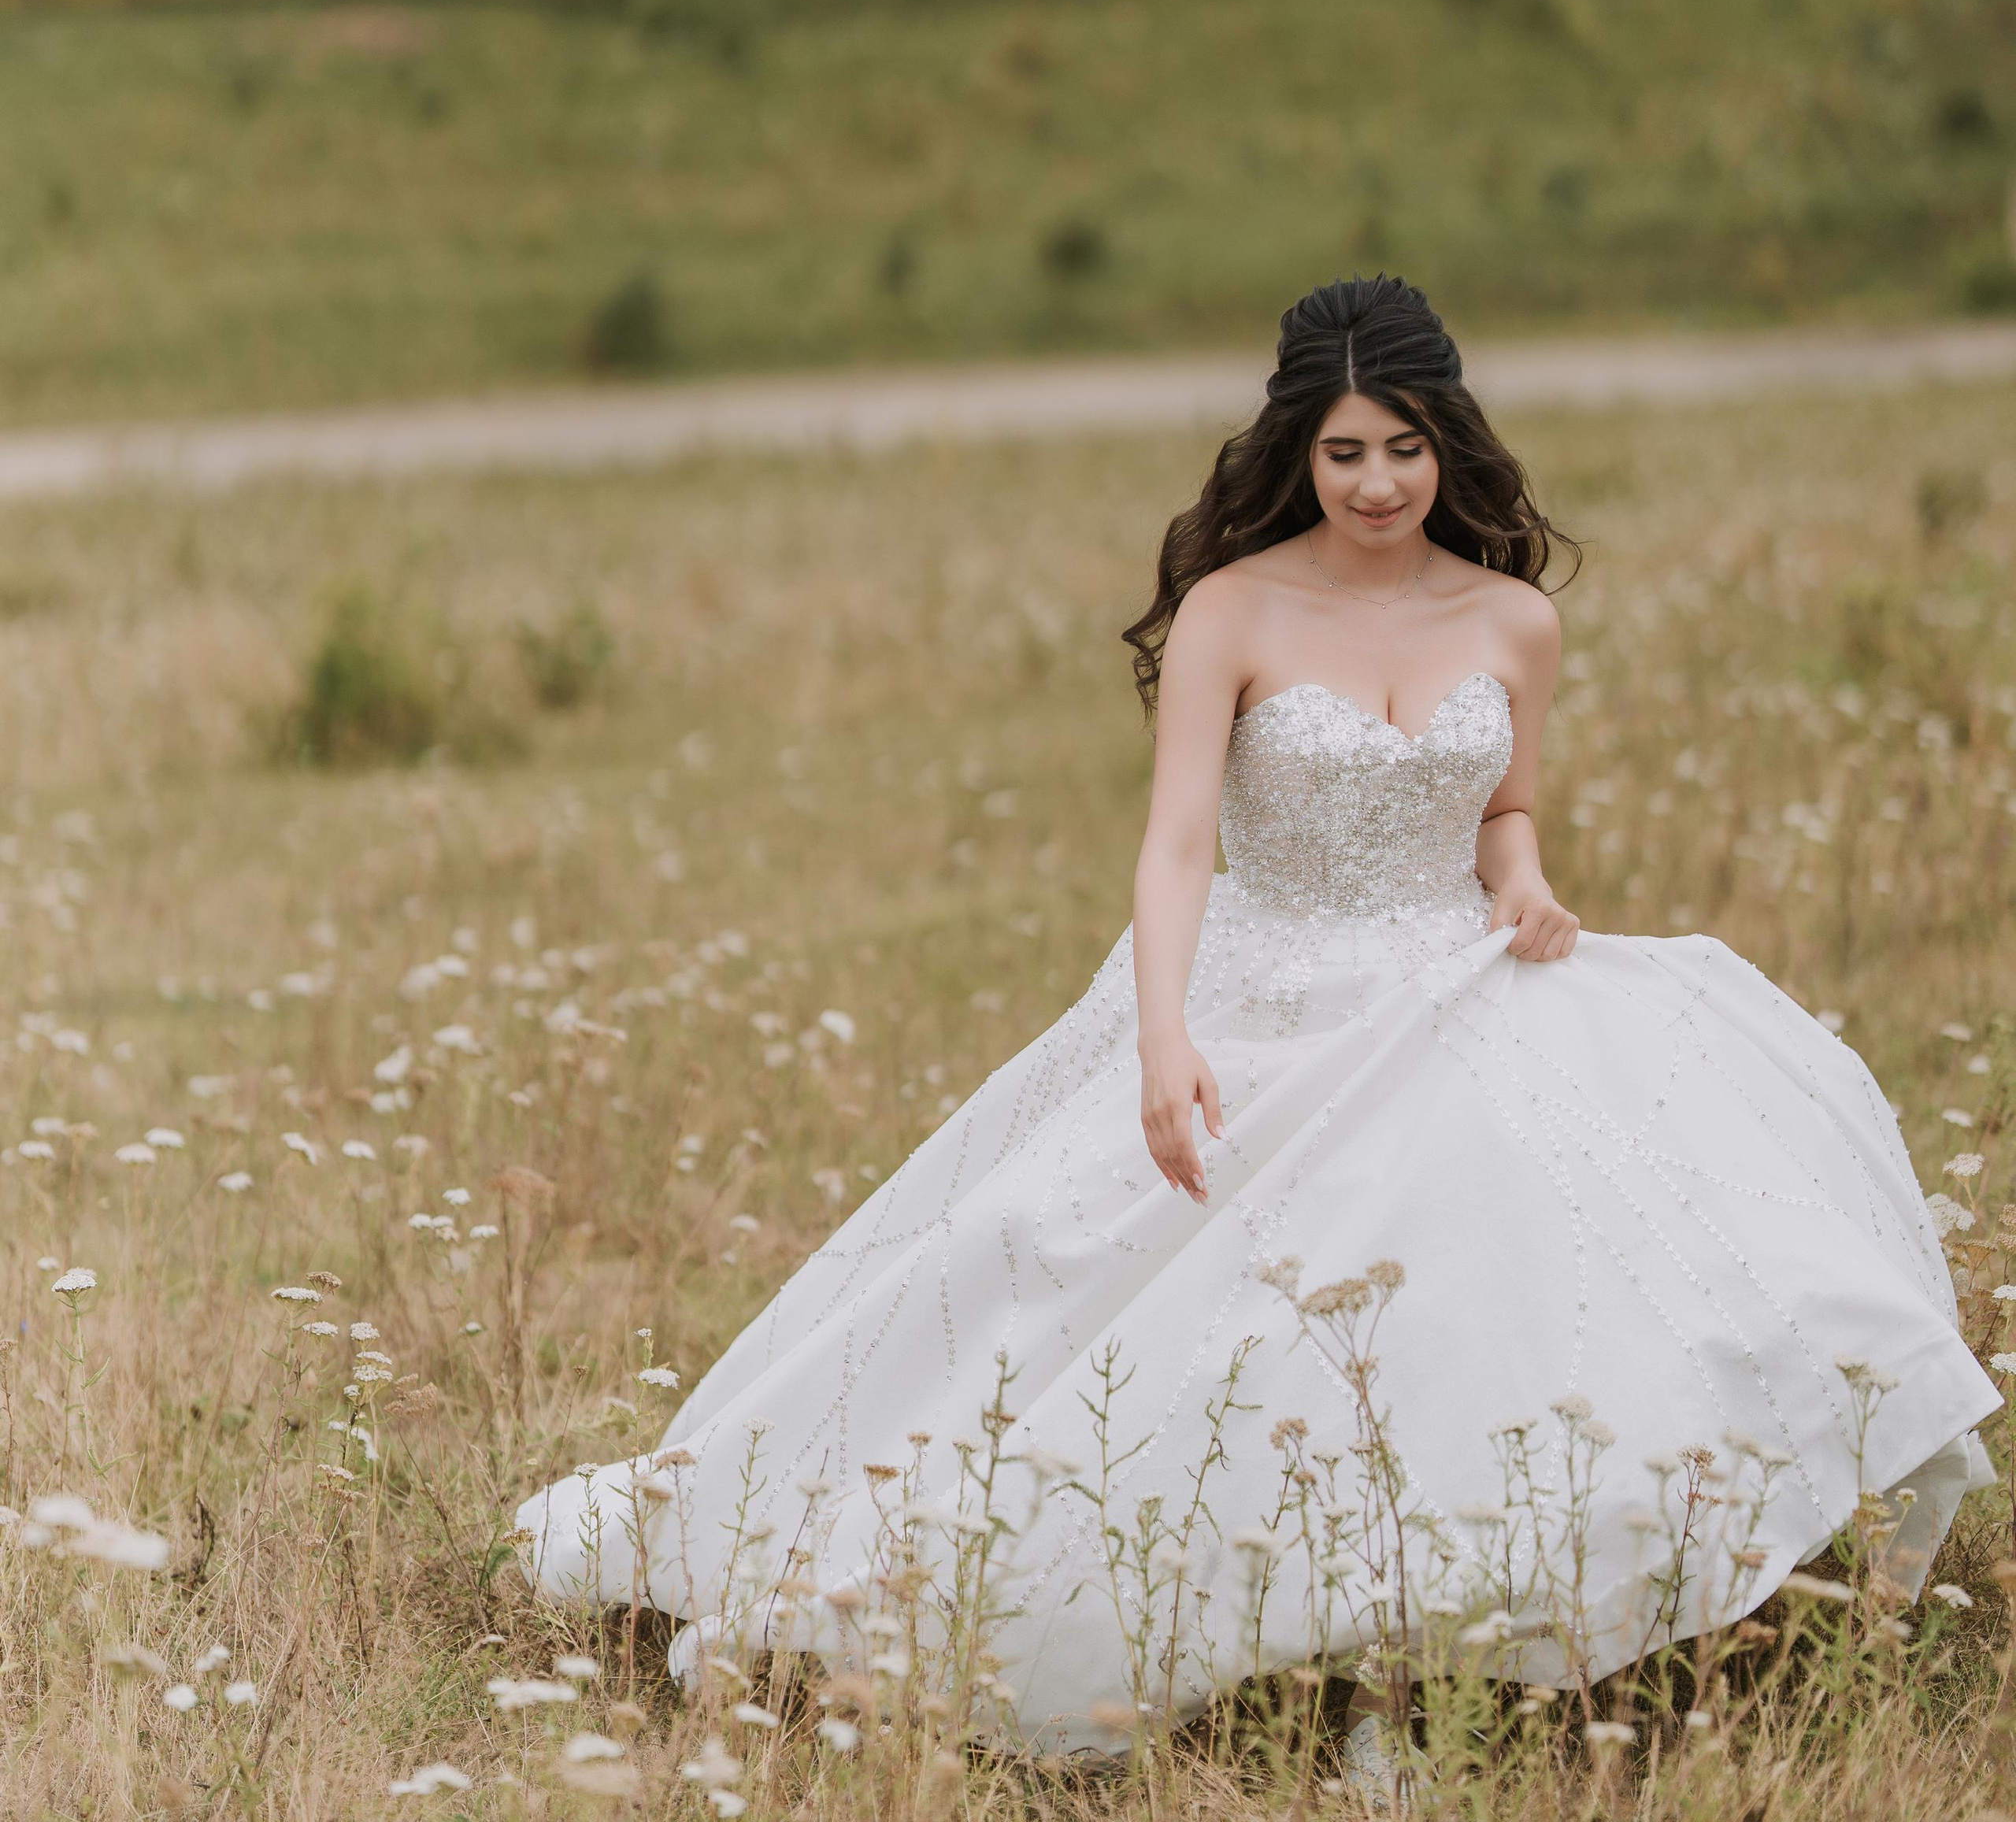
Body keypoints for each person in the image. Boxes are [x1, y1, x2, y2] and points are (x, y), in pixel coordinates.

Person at [517, 275, 1998, 1764]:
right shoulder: (1234, 609)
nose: (1378, 483)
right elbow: (1178, 846)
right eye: (1346, 451)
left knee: (1499, 1306)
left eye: (1406, 449)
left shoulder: (1514, 619)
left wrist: (1527, 884)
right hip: (1268, 986)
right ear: (1300, 446)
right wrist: (1163, 1037)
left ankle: (1420, 1672)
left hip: (1455, 989)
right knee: (1128, 1302)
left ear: (1449, 442)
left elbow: (1506, 811)